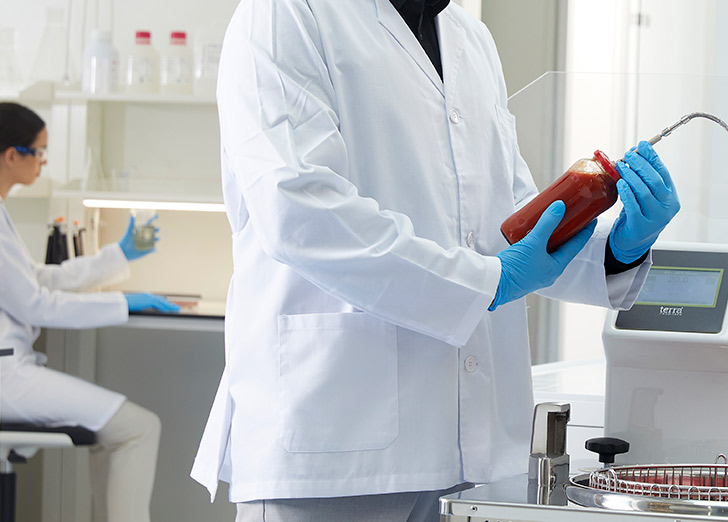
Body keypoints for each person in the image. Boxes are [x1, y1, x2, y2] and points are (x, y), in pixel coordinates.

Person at [191, 1, 681, 521]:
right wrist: (486, 283)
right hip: (333, 438)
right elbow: (299, 209)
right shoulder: (288, 13)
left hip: (472, 454)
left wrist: (613, 248)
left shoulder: (469, 37)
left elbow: (507, 219)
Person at [0, 102, 180, 522]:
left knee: (117, 432)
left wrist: (117, 256)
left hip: (11, 369)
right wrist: (121, 303)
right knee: (138, 428)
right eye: (39, 152)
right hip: (7, 377)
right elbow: (35, 302)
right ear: (12, 155)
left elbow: (37, 280)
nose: (43, 163)